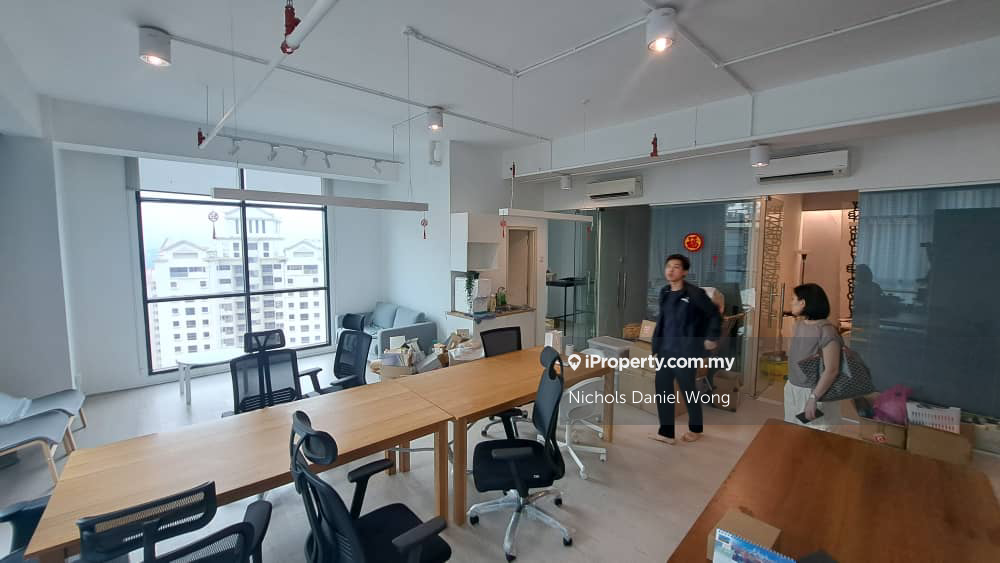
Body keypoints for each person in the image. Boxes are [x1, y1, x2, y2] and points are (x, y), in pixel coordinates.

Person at [648, 254, 721, 445]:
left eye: (676, 267)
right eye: (668, 266)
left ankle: (696, 429)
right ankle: (666, 433)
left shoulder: (695, 294)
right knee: (663, 391)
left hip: (686, 352)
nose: (671, 270)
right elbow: (663, 321)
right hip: (665, 351)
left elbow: (714, 314)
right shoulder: (665, 292)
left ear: (685, 272)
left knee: (688, 390)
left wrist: (711, 337)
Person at [785, 283, 843, 431]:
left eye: (793, 299)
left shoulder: (827, 331)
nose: (791, 302)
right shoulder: (799, 325)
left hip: (813, 391)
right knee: (793, 431)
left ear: (803, 303)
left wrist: (813, 398)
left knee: (816, 434)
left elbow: (832, 370)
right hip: (793, 387)